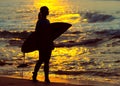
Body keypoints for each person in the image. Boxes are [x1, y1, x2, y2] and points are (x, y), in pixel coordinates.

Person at [32, 6, 54, 83]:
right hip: (44, 43)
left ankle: (41, 77)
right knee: (44, 61)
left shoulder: (43, 21)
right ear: (44, 12)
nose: (48, 11)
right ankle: (44, 78)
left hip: (44, 43)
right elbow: (39, 33)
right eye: (47, 10)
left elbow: (38, 34)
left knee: (43, 60)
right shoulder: (43, 21)